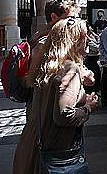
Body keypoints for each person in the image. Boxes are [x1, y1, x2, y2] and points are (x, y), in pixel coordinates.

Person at [12, 17, 99, 174]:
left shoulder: (46, 64)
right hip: (53, 150)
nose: (87, 43)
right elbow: (64, 115)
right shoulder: (70, 70)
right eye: (84, 37)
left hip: (33, 142)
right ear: (75, 40)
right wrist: (88, 107)